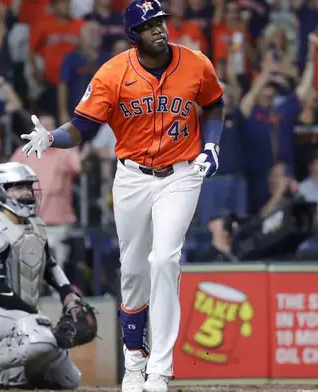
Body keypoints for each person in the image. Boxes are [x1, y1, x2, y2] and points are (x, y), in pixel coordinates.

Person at [19, 1, 225, 391]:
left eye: (161, 21)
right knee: (133, 272)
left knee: (164, 259)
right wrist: (52, 138)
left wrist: (211, 146)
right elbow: (82, 125)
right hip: (131, 177)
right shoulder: (113, 72)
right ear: (134, 35)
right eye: (149, 26)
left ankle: (159, 371)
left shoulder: (196, 62)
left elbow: (214, 103)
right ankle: (135, 362)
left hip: (181, 174)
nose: (159, 30)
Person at [0, 162, 92, 389]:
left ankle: (26, 376)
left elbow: (50, 266)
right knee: (41, 333)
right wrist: (34, 315)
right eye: (18, 187)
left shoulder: (36, 226)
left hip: (24, 316)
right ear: (0, 191)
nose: (26, 192)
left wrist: (68, 294)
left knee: (69, 379)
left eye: (28, 187)